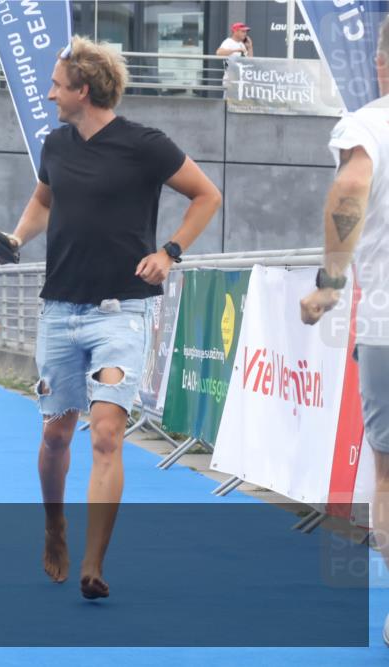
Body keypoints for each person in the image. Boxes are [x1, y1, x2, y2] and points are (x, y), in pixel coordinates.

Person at [0, 36, 220, 598]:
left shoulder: (145, 145)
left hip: (123, 311)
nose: (49, 94)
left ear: (83, 89)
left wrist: (170, 252)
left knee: (107, 433)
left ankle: (94, 564)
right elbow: (45, 200)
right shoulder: (55, 145)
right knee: (55, 435)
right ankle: (55, 527)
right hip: (59, 310)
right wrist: (18, 237)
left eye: (55, 85)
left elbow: (206, 195)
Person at [300, 15, 389, 646]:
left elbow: (351, 187)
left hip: (388, 326)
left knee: (388, 476)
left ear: (383, 63)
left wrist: (330, 284)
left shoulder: (371, 125)